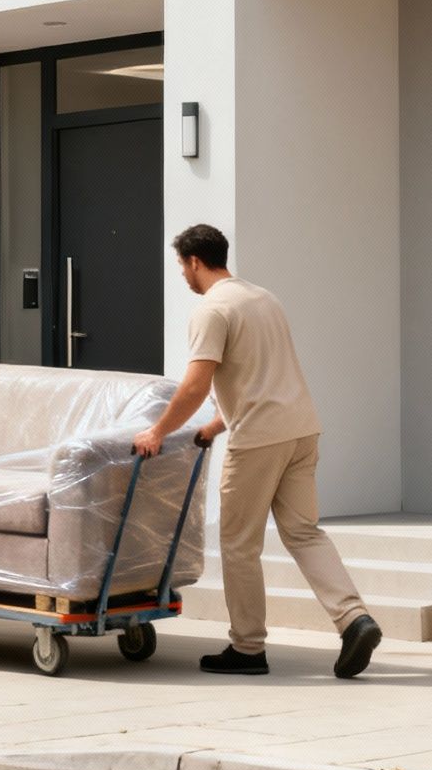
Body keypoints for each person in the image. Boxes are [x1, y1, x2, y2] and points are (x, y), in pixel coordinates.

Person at [133, 224, 382, 678]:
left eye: (181, 266)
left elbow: (196, 384)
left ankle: (248, 648)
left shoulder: (211, 310)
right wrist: (214, 425)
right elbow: (261, 375)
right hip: (302, 430)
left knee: (239, 544)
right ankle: (354, 619)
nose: (182, 276)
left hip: (259, 442)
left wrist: (157, 432)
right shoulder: (264, 299)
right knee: (304, 532)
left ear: (193, 262)